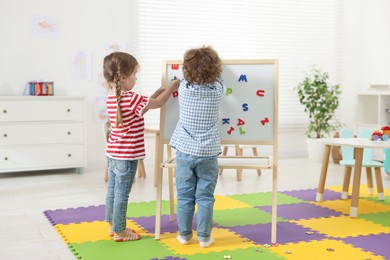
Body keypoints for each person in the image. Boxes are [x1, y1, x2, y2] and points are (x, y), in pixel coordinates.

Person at [103, 52, 180, 242]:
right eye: (134, 75)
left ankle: (113, 225)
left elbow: (146, 105)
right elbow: (159, 103)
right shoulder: (131, 98)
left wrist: (155, 94)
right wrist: (171, 87)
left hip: (113, 153)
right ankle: (120, 232)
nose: (135, 79)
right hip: (127, 156)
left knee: (112, 191)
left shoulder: (112, 96)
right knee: (122, 194)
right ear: (123, 77)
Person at [170, 46, 223, 248]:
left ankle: (184, 236)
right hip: (208, 153)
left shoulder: (184, 88)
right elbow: (219, 76)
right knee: (205, 197)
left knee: (184, 196)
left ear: (187, 70)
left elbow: (184, 77)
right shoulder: (217, 90)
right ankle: (204, 237)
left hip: (184, 152)